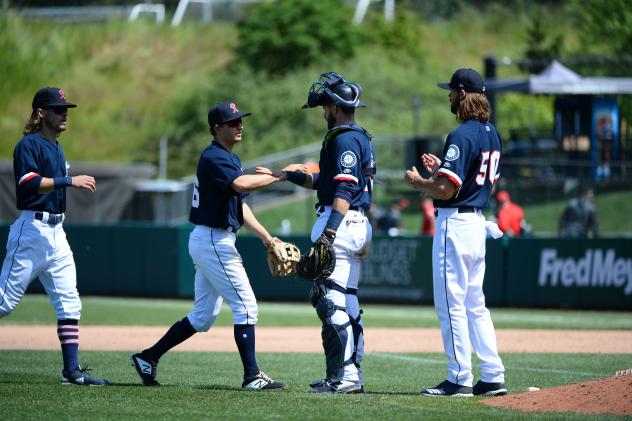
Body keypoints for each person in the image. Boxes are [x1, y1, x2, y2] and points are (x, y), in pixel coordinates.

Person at [131, 101, 290, 390]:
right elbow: (241, 185)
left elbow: (239, 205)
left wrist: (267, 237)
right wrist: (279, 175)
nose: (239, 125)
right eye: (233, 122)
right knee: (246, 307)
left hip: (212, 238)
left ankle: (148, 357)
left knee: (203, 317)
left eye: (241, 120)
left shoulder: (229, 158)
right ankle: (252, 376)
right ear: (217, 128)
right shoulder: (215, 157)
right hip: (214, 240)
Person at [257, 72, 375, 394]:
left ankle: (345, 377)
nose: (323, 110)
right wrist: (285, 175)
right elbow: (323, 182)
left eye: (325, 105)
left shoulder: (344, 139)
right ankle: (345, 374)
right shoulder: (356, 135)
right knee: (346, 301)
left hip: (341, 221)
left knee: (329, 300)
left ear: (336, 107)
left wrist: (329, 234)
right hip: (354, 221)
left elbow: (344, 189)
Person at [404, 68, 507, 397]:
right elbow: (469, 178)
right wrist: (441, 172)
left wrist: (421, 182)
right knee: (476, 304)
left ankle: (459, 377)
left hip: (456, 224)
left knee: (451, 305)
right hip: (476, 222)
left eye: (451, 91)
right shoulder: (492, 133)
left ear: (463, 94)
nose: (448, 95)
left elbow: (446, 190)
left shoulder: (461, 134)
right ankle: (492, 374)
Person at [0, 87, 108, 386]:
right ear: (40, 112)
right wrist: (69, 180)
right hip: (31, 231)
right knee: (3, 303)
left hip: (57, 233)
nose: (65, 114)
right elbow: (28, 183)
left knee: (70, 303)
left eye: (66, 109)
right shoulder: (29, 145)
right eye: (58, 109)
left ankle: (71, 372)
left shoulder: (57, 147)